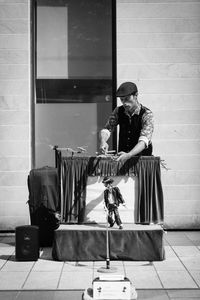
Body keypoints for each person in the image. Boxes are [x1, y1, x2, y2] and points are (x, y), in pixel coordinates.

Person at [99, 82, 154, 163]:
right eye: (122, 100)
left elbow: (144, 140)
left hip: (142, 162)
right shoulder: (118, 111)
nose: (124, 103)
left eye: (127, 99)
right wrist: (103, 141)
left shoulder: (147, 114)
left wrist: (129, 154)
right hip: (122, 160)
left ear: (136, 95)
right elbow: (107, 129)